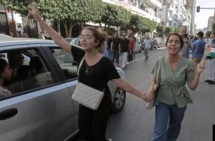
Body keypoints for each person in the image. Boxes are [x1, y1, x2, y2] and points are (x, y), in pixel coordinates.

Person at [28, 3, 145, 141]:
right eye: (82, 37)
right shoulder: (79, 54)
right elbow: (59, 39)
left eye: (88, 37)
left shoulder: (105, 62)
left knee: (98, 136)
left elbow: (120, 83)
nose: (83, 40)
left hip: (101, 104)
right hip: (85, 100)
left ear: (96, 42)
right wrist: (39, 19)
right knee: (85, 134)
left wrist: (142, 94)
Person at [144, 33, 205, 141]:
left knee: (174, 128)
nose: (173, 44)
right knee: (159, 131)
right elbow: (154, 80)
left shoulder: (188, 64)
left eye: (177, 42)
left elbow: (192, 86)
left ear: (181, 46)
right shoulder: (160, 61)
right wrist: (150, 90)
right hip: (162, 99)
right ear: (166, 44)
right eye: (170, 41)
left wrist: (198, 73)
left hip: (179, 101)